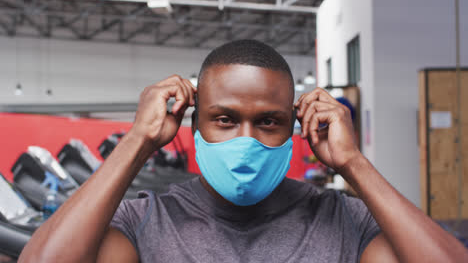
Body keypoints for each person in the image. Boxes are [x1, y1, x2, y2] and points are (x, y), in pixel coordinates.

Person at [18, 40, 468, 263]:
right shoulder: (144, 222)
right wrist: (138, 141)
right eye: (225, 120)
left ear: (297, 128)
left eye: (268, 122)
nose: (245, 141)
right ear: (195, 124)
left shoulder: (346, 221)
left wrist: (354, 164)